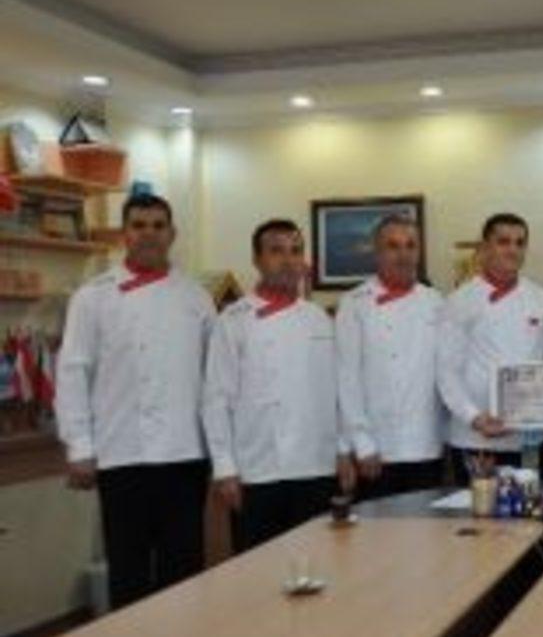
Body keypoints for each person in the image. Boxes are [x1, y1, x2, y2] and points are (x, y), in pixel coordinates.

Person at [56, 194, 214, 609]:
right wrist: (79, 446)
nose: (149, 234)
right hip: (121, 454)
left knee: (185, 571)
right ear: (124, 234)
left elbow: (215, 380)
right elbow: (72, 372)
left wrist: (221, 448)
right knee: (128, 572)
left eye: (158, 226)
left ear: (172, 234)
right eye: (139, 225)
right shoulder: (92, 297)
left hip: (185, 454)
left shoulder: (197, 297)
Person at [202, 219, 354, 552]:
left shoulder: (319, 319)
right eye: (276, 251)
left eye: (295, 251)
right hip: (257, 472)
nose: (288, 260)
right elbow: (216, 400)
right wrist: (225, 468)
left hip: (316, 467)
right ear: (257, 260)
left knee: (318, 564)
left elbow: (337, 393)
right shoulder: (233, 321)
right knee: (258, 571)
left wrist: (343, 451)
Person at [437, 213, 543, 485]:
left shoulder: (542, 298)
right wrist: (474, 417)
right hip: (475, 437)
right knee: (479, 511)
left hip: (529, 437)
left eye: (520, 242)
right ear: (484, 248)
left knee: (533, 509)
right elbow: (446, 371)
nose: (513, 249)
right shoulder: (459, 301)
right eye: (503, 241)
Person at [337, 214, 445, 499]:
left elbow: (447, 374)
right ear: (377, 252)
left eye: (410, 245)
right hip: (376, 451)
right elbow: (346, 379)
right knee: (376, 526)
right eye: (393, 246)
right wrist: (361, 444)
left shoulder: (436, 302)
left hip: (426, 446)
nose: (403, 254)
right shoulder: (353, 303)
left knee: (427, 526)